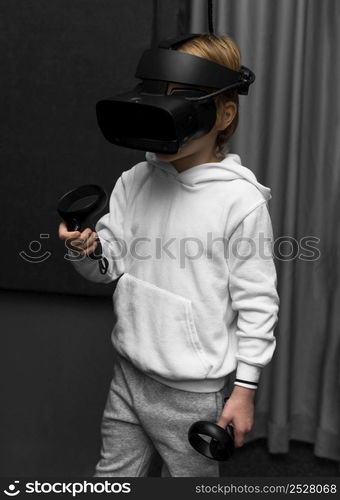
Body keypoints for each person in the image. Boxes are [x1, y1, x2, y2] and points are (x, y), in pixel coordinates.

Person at [58, 33, 279, 477]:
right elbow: (110, 265)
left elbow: (258, 304)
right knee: (113, 479)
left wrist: (244, 390)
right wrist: (89, 250)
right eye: (156, 92)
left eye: (180, 98)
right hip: (130, 374)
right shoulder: (135, 179)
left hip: (191, 392)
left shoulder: (240, 202)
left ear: (225, 113)